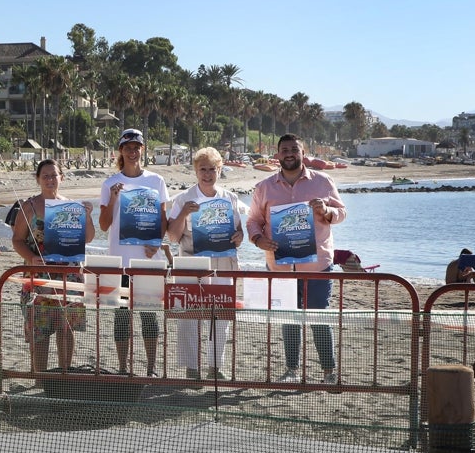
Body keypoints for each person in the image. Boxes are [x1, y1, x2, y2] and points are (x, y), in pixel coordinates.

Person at [247, 133, 347, 385]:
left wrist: (326, 211)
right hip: (279, 265)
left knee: (318, 317)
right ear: (277, 154)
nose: (290, 154)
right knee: (288, 320)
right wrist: (259, 240)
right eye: (285, 150)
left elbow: (342, 212)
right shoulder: (264, 187)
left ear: (303, 153)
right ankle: (291, 371)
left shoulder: (323, 181)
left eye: (295, 149)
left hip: (317, 265)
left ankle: (329, 372)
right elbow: (253, 221)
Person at [166, 146, 244, 380]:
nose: (208, 174)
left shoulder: (230, 198)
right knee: (190, 316)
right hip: (192, 263)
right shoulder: (183, 198)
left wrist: (239, 236)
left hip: (222, 263)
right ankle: (192, 367)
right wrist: (182, 214)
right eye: (203, 169)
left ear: (220, 170)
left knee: (220, 316)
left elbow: (238, 233)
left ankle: (214, 366)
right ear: (195, 171)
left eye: (212, 169)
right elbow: (172, 237)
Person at [11, 158, 95, 373]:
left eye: (54, 175)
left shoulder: (72, 206)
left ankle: (64, 375)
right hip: (39, 275)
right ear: (38, 179)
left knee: (66, 328)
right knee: (40, 330)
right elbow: (17, 240)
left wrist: (87, 216)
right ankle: (40, 377)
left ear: (62, 178)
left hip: (69, 276)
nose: (50, 179)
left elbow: (87, 238)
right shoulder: (28, 206)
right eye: (45, 176)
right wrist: (30, 258)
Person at [98, 128, 170, 376]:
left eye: (136, 146)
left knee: (149, 317)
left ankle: (150, 368)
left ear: (142, 149)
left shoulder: (156, 181)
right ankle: (122, 367)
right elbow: (104, 225)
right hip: (120, 262)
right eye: (127, 147)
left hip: (148, 261)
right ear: (120, 151)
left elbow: (163, 219)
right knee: (122, 318)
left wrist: (156, 242)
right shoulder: (109, 184)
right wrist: (115, 197)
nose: (132, 151)